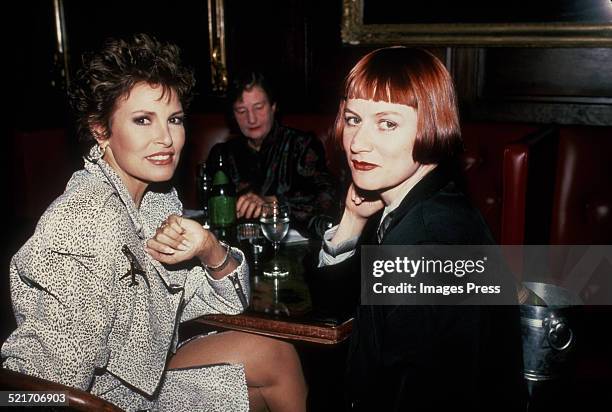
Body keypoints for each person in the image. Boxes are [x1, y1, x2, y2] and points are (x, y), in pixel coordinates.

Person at [1, 34, 306, 412]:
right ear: (101, 129)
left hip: (144, 377)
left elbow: (231, 308)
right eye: (143, 120)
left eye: (174, 119)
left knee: (278, 355)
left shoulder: (157, 203)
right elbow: (40, 392)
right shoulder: (83, 221)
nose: (166, 138)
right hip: (105, 401)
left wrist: (211, 250)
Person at [318, 47, 527, 411]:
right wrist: (352, 220)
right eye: (353, 119)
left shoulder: (427, 243)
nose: (357, 143)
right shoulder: (415, 202)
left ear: (431, 124)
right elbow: (333, 308)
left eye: (387, 123)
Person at [207, 72, 338, 238]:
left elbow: (328, 195)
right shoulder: (222, 154)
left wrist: (273, 202)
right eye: (241, 110)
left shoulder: (301, 145)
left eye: (259, 107)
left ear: (273, 106)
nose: (251, 119)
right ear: (233, 114)